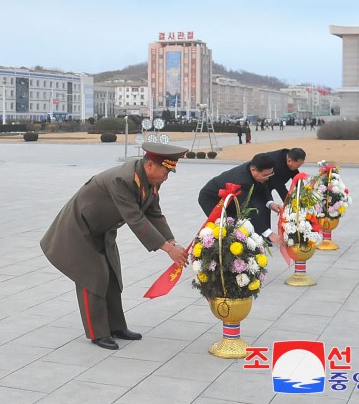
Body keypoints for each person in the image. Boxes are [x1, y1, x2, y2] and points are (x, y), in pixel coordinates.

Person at [40, 142, 189, 350]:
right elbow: (135, 218)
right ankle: (97, 333)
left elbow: (154, 213)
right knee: (93, 278)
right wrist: (166, 248)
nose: (167, 177)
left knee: (112, 276)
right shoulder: (123, 180)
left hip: (103, 229)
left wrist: (172, 242)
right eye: (165, 172)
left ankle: (116, 326)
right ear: (150, 166)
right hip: (78, 229)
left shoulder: (151, 181)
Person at [197, 152, 284, 250]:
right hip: (211, 199)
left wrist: (270, 203)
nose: (267, 177)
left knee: (237, 225)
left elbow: (264, 185)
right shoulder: (242, 181)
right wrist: (269, 233)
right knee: (225, 226)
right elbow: (248, 210)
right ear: (253, 170)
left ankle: (238, 249)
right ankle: (219, 252)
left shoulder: (255, 169)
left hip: (231, 198)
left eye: (270, 174)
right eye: (265, 175)